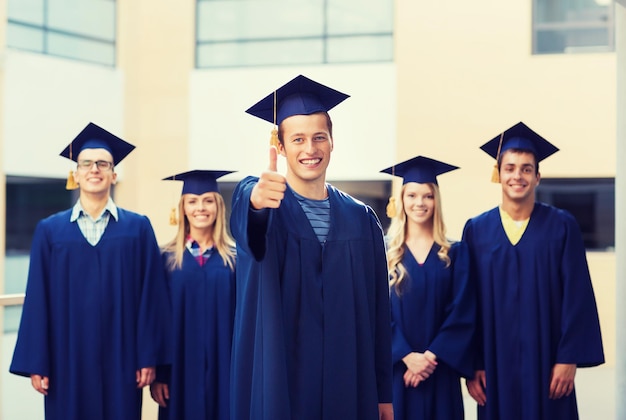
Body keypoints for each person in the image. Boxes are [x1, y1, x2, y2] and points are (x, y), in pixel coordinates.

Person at [229, 74, 393, 420]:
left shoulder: (361, 219)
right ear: (281, 147)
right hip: (283, 381)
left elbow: (379, 312)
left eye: (319, 137)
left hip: (348, 383)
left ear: (332, 142)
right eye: (298, 139)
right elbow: (249, 221)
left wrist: (383, 394)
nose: (310, 149)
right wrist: (257, 201)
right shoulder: (265, 202)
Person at [9, 122, 171, 420]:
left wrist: (149, 356)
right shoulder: (50, 231)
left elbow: (152, 296)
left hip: (122, 357)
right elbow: (37, 300)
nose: (94, 169)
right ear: (76, 173)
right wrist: (38, 362)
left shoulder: (137, 228)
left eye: (102, 164)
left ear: (114, 174)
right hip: (65, 358)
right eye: (86, 163)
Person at [462, 121, 605, 420]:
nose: (518, 175)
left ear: (538, 177)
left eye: (526, 169)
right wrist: (472, 363)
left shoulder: (562, 226)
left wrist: (569, 358)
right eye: (510, 167)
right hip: (494, 364)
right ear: (498, 174)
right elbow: (467, 303)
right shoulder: (477, 230)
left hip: (548, 362)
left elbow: (577, 298)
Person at [381, 155, 475, 419]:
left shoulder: (455, 252)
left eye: (427, 196)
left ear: (437, 201)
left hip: (440, 371)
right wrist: (406, 355)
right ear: (400, 200)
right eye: (411, 195)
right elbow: (374, 311)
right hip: (397, 372)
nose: (419, 203)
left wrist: (430, 358)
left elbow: (463, 312)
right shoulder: (383, 251)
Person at [150, 170, 237, 420]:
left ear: (218, 207)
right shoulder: (165, 259)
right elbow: (157, 321)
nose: (201, 207)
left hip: (225, 367)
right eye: (193, 201)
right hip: (178, 369)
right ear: (183, 208)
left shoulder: (236, 260)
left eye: (208, 200)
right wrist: (159, 375)